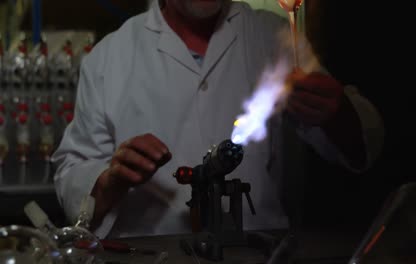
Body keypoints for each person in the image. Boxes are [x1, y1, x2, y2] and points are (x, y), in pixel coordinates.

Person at [52, 0, 384, 238]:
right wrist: (110, 181)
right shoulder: (112, 55)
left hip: (257, 249)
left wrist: (335, 112)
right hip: (150, 252)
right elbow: (73, 171)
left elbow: (362, 148)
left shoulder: (274, 38)